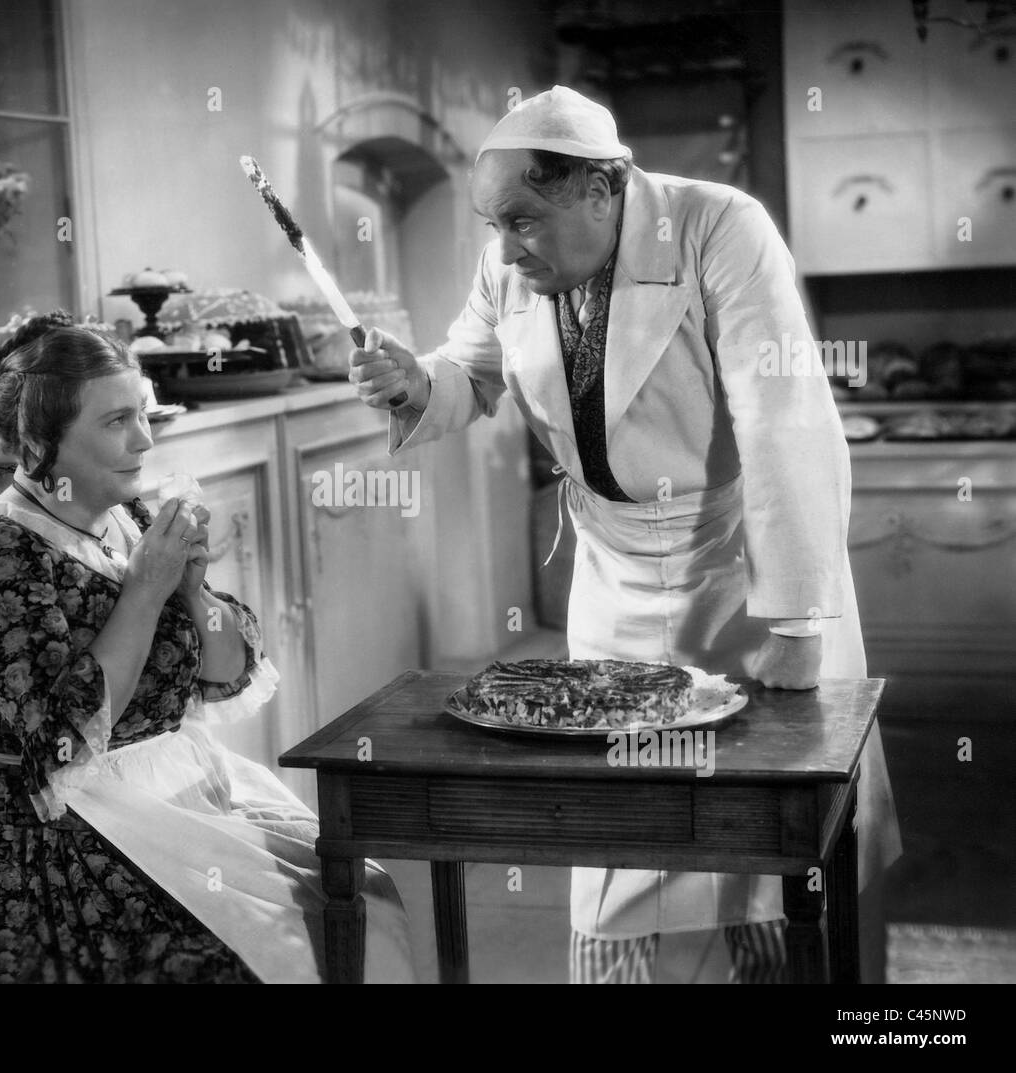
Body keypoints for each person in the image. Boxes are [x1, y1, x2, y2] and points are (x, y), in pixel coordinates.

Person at [349, 86, 902, 984]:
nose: (502, 248)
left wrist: (799, 624)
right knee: (617, 862)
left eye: (522, 220)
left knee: (760, 862)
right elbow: (471, 370)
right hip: (612, 580)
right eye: (492, 225)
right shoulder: (512, 264)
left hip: (740, 573)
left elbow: (783, 416)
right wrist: (418, 381)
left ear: (600, 190)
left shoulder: (718, 226)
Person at [0, 312, 413, 983]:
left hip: (170, 791)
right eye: (115, 421)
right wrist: (144, 590)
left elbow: (227, 673)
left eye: (142, 412)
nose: (144, 438)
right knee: (255, 958)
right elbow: (61, 741)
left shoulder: (128, 515)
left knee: (360, 892)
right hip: (42, 830)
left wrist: (195, 595)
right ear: (34, 441)